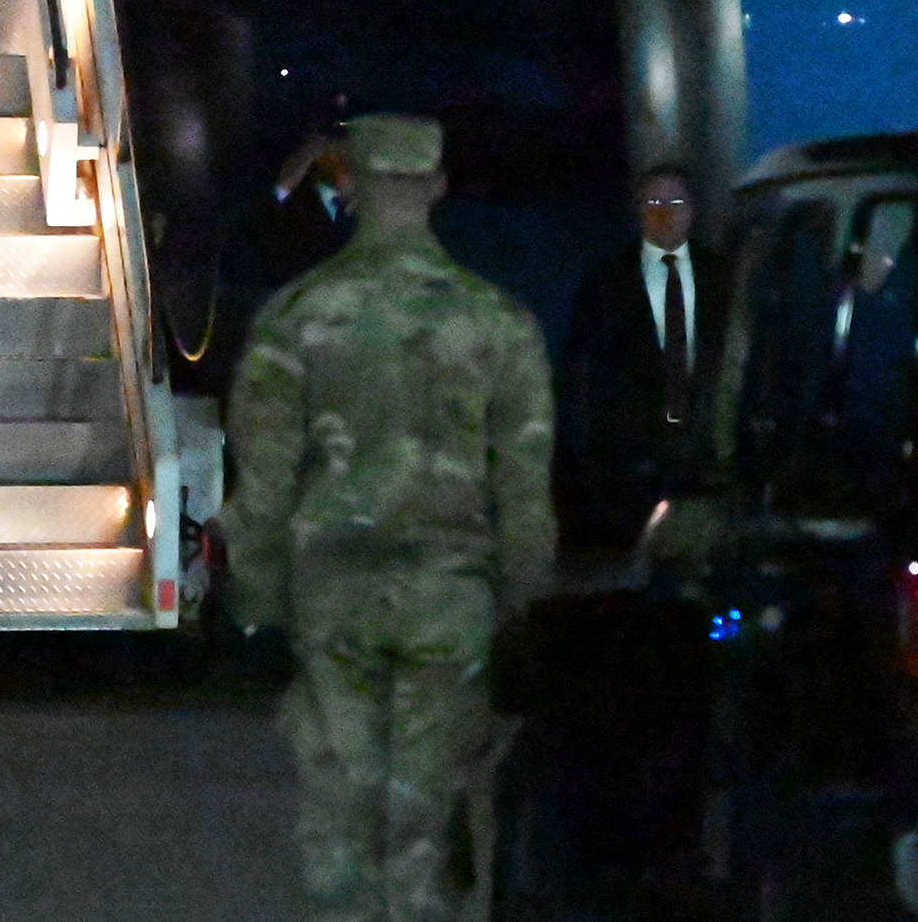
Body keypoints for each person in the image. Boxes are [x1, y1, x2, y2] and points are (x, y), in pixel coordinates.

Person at [222, 115, 557, 922]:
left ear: (353, 187)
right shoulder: (499, 321)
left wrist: (256, 607)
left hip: (331, 589)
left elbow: (262, 483)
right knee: (429, 814)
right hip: (453, 592)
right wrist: (525, 606)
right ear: (437, 188)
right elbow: (524, 484)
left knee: (340, 808)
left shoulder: (295, 315)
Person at [555, 165, 721, 560]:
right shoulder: (607, 280)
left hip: (703, 460)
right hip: (628, 464)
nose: (664, 213)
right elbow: (583, 371)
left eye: (674, 202)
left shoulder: (719, 275)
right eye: (653, 202)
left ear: (692, 211)